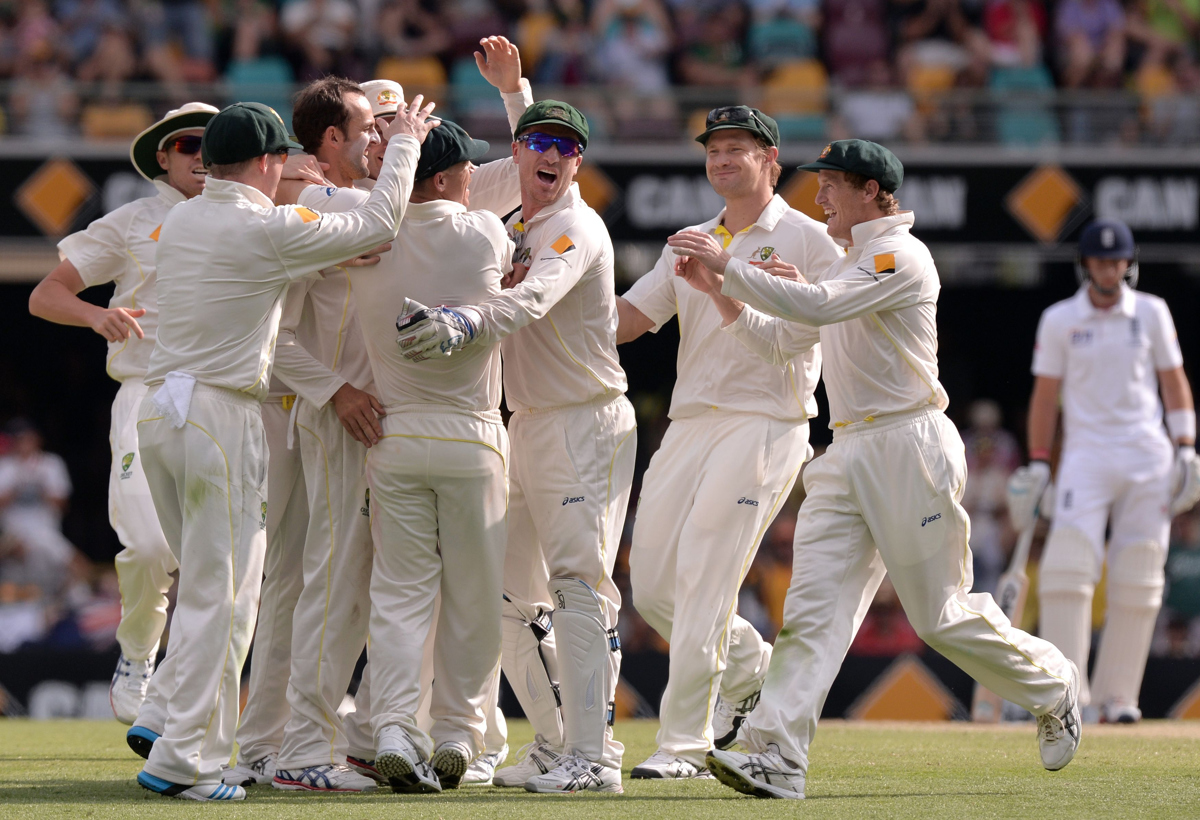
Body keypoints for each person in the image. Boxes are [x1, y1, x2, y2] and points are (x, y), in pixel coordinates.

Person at [670, 139, 1081, 799]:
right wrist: (719, 289)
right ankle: (777, 757)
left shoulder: (899, 255)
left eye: (830, 184)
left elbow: (819, 307)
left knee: (939, 615)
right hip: (847, 452)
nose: (820, 196)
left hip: (908, 443)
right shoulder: (845, 262)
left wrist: (728, 264)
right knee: (812, 611)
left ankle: (1052, 683)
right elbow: (784, 339)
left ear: (870, 191)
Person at [130, 98, 437, 802]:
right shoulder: (264, 226)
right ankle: (188, 763)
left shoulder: (183, 219)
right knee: (226, 596)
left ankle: (177, 735)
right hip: (218, 415)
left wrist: (321, 249)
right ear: (271, 163)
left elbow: (253, 275)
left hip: (162, 412)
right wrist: (405, 146)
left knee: (207, 588)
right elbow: (379, 221)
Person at [398, 100, 637, 795]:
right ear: (519, 151)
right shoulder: (518, 228)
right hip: (527, 422)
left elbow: (533, 302)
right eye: (539, 142)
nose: (552, 156)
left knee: (578, 589)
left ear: (578, 164)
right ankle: (556, 743)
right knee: (505, 595)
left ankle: (594, 759)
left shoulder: (574, 228)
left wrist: (463, 320)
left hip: (584, 423)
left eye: (566, 147)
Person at [614, 106, 841, 779]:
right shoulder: (690, 239)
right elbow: (629, 317)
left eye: (738, 149)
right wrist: (549, 311)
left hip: (766, 421)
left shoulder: (809, 239)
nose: (723, 160)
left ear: (771, 160)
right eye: (715, 150)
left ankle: (682, 746)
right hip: (690, 424)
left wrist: (730, 282)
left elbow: (819, 327)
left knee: (707, 573)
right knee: (653, 585)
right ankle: (753, 670)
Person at [27, 102, 218, 725]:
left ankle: (183, 693)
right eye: (189, 145)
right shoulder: (133, 220)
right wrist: (95, 315)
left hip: (226, 395)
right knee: (145, 546)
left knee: (219, 557)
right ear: (163, 156)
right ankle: (137, 653)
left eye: (214, 144)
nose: (202, 156)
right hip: (146, 391)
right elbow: (46, 293)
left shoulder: (245, 216)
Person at [1010, 218, 1200, 724]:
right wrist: (1040, 462)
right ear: (1085, 265)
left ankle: (1119, 699)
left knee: (1140, 578)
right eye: (1101, 261)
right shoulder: (1059, 319)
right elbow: (1045, 398)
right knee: (1066, 572)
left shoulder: (1152, 313)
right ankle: (1071, 699)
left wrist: (1185, 446)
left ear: (1129, 263)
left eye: (1118, 261)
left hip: (1147, 455)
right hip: (1086, 457)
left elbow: (1173, 381)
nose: (1110, 269)